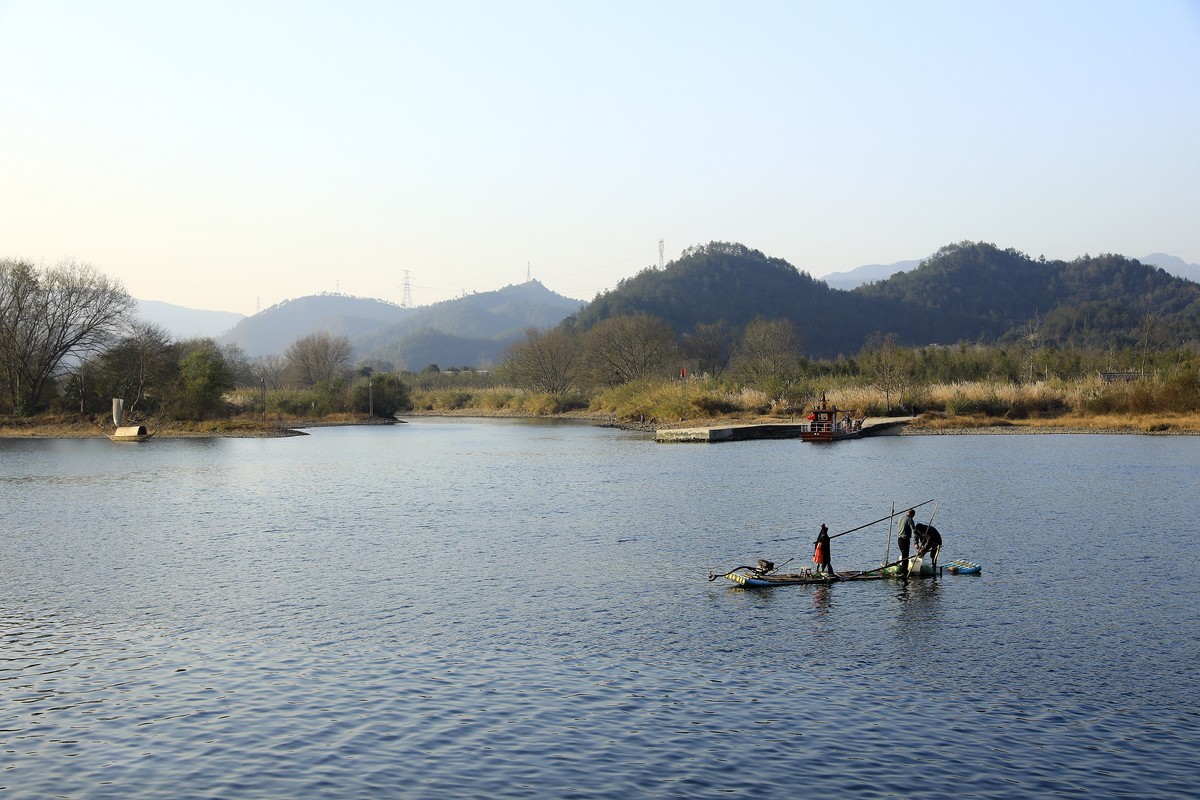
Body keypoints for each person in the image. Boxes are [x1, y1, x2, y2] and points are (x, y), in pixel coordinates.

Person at [897, 509, 915, 576]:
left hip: (899, 539)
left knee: (903, 554)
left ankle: (903, 569)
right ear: (912, 515)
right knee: (905, 556)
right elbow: (914, 530)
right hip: (905, 540)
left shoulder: (900, 518)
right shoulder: (910, 519)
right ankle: (905, 571)